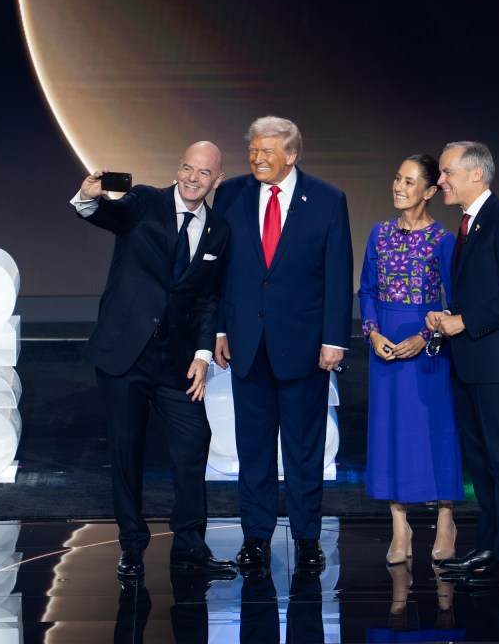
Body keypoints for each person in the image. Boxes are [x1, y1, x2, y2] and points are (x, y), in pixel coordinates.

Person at [72, 141, 235, 580]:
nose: (191, 178)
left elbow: (207, 299)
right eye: (186, 168)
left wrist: (203, 355)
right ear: (178, 167)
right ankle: (131, 545)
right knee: (127, 451)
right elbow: (103, 215)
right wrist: (89, 196)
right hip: (125, 353)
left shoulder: (219, 230)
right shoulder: (144, 200)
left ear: (216, 179)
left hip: (177, 360)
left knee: (193, 440)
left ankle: (189, 546)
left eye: (203, 173)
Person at [212, 116, 353, 575]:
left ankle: (307, 538)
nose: (257, 158)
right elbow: (220, 270)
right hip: (247, 344)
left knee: (303, 450)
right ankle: (255, 538)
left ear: (292, 155)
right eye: (253, 150)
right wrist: (219, 330)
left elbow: (336, 273)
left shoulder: (328, 200)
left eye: (267, 151)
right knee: (251, 449)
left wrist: (335, 339)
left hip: (305, 346)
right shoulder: (230, 193)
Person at [426, 140, 499, 589]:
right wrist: (448, 319)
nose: (440, 181)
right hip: (471, 361)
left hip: (498, 363)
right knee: (482, 460)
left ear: (477, 174)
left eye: (448, 173)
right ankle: (489, 547)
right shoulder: (470, 224)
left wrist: (463, 321)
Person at [359, 154, 462, 565]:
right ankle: (400, 526)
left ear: (430, 190)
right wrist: (372, 332)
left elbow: (454, 303)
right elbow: (366, 290)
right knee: (390, 435)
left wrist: (424, 335)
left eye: (408, 181)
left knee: (436, 431)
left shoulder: (444, 240)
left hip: (428, 351)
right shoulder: (378, 233)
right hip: (385, 346)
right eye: (397, 178)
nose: (398, 186)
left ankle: (445, 521)